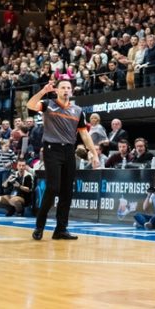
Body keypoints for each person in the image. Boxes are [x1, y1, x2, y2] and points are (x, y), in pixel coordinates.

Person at [27, 80, 100, 241]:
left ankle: (60, 229)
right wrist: (42, 91)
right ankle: (39, 226)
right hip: (52, 149)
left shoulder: (78, 110)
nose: (66, 90)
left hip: (69, 151)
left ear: (71, 91)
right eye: (63, 88)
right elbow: (31, 105)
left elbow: (84, 135)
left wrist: (94, 153)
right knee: (53, 188)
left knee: (67, 191)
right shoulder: (48, 104)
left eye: (68, 88)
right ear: (57, 90)